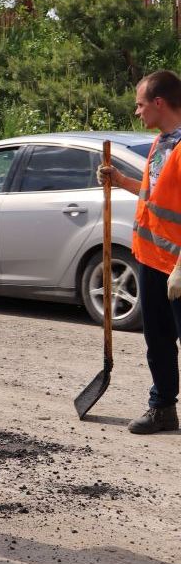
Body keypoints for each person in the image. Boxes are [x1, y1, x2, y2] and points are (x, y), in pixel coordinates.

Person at [98, 70, 181, 435]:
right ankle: (162, 408)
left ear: (159, 103)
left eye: (140, 103)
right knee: (158, 340)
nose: (137, 111)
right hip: (151, 260)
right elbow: (156, 198)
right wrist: (120, 180)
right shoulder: (161, 142)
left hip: (178, 265)